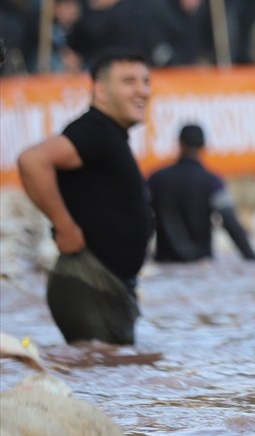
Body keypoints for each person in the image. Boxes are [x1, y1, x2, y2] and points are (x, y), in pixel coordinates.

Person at [16, 50, 154, 345]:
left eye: (145, 81)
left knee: (106, 378)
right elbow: (32, 161)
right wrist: (64, 226)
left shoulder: (109, 134)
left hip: (105, 286)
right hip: (87, 282)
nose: (142, 89)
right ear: (101, 90)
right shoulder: (94, 130)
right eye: (129, 81)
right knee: (95, 371)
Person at [147, 124, 255, 264]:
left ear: (180, 143)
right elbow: (229, 220)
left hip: (165, 263)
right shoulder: (212, 182)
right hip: (201, 264)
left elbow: (143, 218)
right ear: (204, 146)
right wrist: (252, 258)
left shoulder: (156, 179)